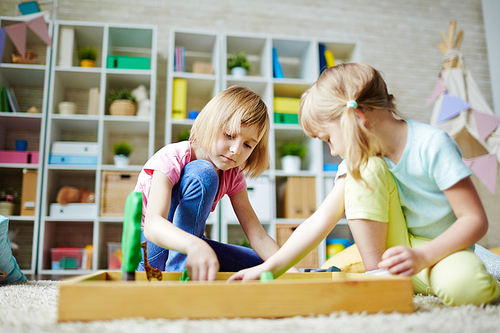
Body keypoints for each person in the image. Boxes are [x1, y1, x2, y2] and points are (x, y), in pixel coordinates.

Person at [229, 63, 500, 306]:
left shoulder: (432, 145)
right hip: (390, 260)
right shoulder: (359, 160)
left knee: (470, 289)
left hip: (442, 252)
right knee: (363, 168)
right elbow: (318, 221)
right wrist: (268, 268)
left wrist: (423, 257)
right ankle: (377, 276)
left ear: (357, 119)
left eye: (328, 139)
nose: (333, 151)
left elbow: (474, 220)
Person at [135, 86, 295, 281]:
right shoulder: (170, 158)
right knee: (203, 172)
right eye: (229, 135)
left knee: (265, 266)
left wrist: (291, 273)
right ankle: (179, 277)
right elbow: (152, 226)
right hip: (152, 250)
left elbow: (258, 236)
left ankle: (307, 274)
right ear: (210, 125)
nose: (236, 149)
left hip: (192, 245)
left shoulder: (233, 174)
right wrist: (195, 245)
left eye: (247, 145)